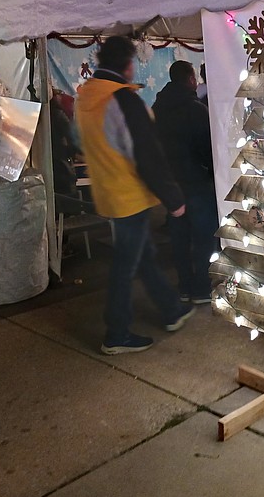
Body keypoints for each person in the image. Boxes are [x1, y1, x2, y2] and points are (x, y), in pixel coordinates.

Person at [75, 37, 195, 355]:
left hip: (108, 192)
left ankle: (172, 310)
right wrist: (173, 197)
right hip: (129, 194)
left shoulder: (87, 95)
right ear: (128, 65)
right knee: (126, 264)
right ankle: (116, 332)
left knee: (140, 256)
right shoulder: (122, 100)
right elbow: (146, 153)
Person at [152, 60, 219, 305]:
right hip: (197, 183)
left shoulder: (156, 108)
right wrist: (213, 173)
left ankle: (184, 286)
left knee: (179, 238)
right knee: (204, 237)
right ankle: (201, 287)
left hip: (171, 185)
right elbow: (207, 149)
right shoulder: (196, 110)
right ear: (191, 79)